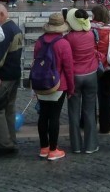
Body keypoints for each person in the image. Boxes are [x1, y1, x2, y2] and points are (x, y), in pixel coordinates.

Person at [32, 13, 74, 161]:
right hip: (57, 85)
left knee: (43, 115)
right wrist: (71, 88)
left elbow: (35, 62)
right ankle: (53, 149)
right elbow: (68, 69)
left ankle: (43, 147)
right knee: (54, 117)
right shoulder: (63, 43)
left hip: (40, 83)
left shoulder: (39, 42)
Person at [0, 4, 23, 157]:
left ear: (2, 14)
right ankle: (11, 140)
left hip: (4, 76)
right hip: (14, 74)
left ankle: (4, 143)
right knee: (9, 109)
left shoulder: (4, 31)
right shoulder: (15, 28)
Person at [64, 8, 99, 154]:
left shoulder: (69, 38)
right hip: (91, 74)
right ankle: (91, 145)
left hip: (75, 76)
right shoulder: (92, 33)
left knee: (73, 111)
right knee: (89, 111)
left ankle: (76, 146)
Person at [91, 4, 110, 134]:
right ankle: (106, 126)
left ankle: (89, 123)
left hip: (94, 65)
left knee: (91, 96)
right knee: (107, 97)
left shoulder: (90, 27)